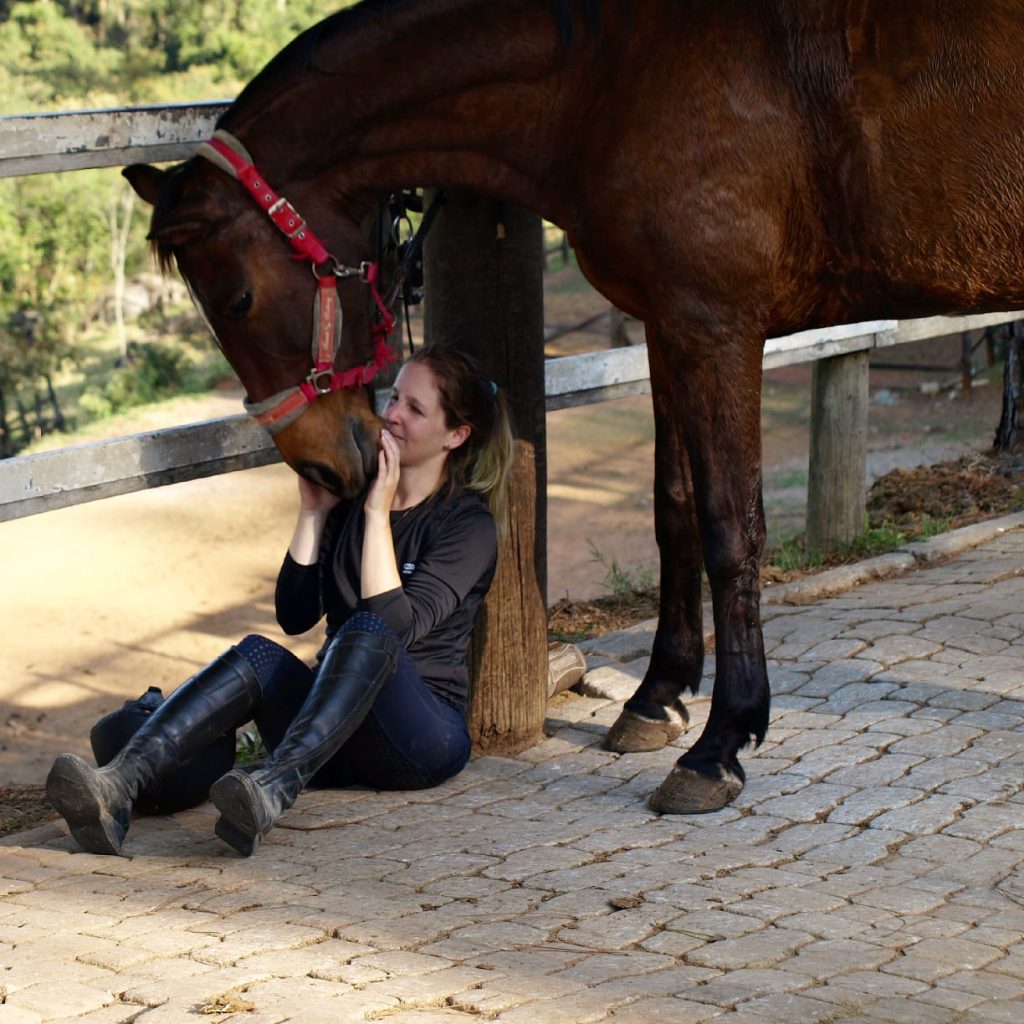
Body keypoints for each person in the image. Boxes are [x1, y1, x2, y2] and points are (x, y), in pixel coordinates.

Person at [46, 345, 513, 857]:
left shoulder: (467, 525)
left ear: (456, 435)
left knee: (366, 631)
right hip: (330, 744)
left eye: (415, 409)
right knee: (258, 653)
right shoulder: (352, 500)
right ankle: (118, 785)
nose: (392, 415)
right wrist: (314, 513)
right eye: (394, 396)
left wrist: (379, 513)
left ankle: (272, 788)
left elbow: (391, 629)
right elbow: (294, 616)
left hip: (418, 739)